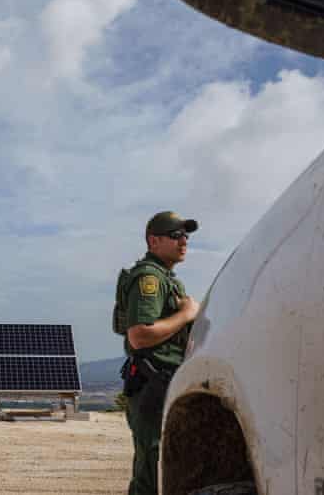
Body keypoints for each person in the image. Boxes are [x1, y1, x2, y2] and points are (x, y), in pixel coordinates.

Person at [122, 211, 201, 495]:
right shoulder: (148, 278)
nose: (184, 242)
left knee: (168, 465)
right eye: (176, 235)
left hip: (166, 380)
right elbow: (140, 335)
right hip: (152, 382)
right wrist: (186, 314)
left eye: (186, 236)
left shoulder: (166, 278)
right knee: (152, 468)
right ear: (154, 241)